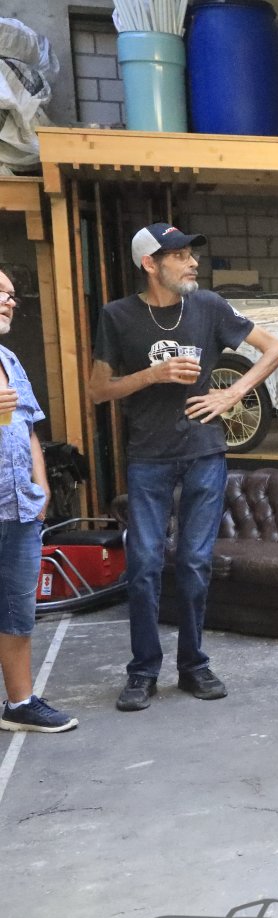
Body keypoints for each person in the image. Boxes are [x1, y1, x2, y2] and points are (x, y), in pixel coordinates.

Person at [87, 223, 278, 712]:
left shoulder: (210, 307)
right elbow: (97, 390)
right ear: (150, 264)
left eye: (190, 254)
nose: (192, 262)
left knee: (196, 563)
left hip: (204, 452)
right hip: (148, 456)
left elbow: (276, 348)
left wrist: (233, 393)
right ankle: (143, 672)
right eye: (178, 255)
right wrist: (151, 375)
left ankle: (194, 665)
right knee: (144, 565)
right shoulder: (117, 316)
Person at [0, 269, 78, 733]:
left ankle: (19, 703)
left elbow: (28, 428)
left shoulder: (9, 359)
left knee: (16, 610)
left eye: (11, 295)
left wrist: (42, 484)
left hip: (18, 510)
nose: (10, 302)